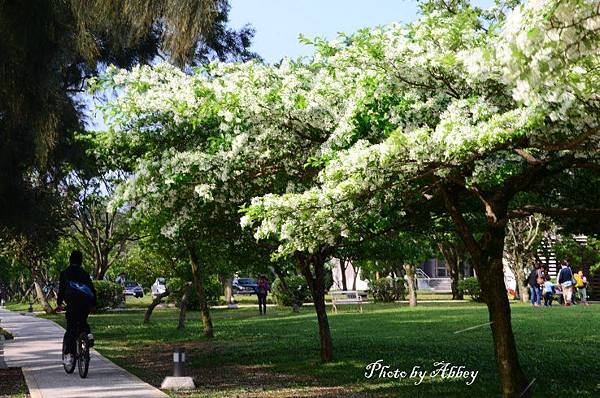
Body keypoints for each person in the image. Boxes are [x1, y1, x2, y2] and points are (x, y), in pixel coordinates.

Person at [57, 250, 97, 366]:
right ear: (81, 261)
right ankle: (88, 335)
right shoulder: (84, 273)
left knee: (71, 328)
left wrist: (59, 303)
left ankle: (69, 355)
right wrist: (93, 304)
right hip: (85, 303)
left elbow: (61, 290)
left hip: (72, 303)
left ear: (70, 260)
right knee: (83, 322)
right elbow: (92, 289)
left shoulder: (65, 273)